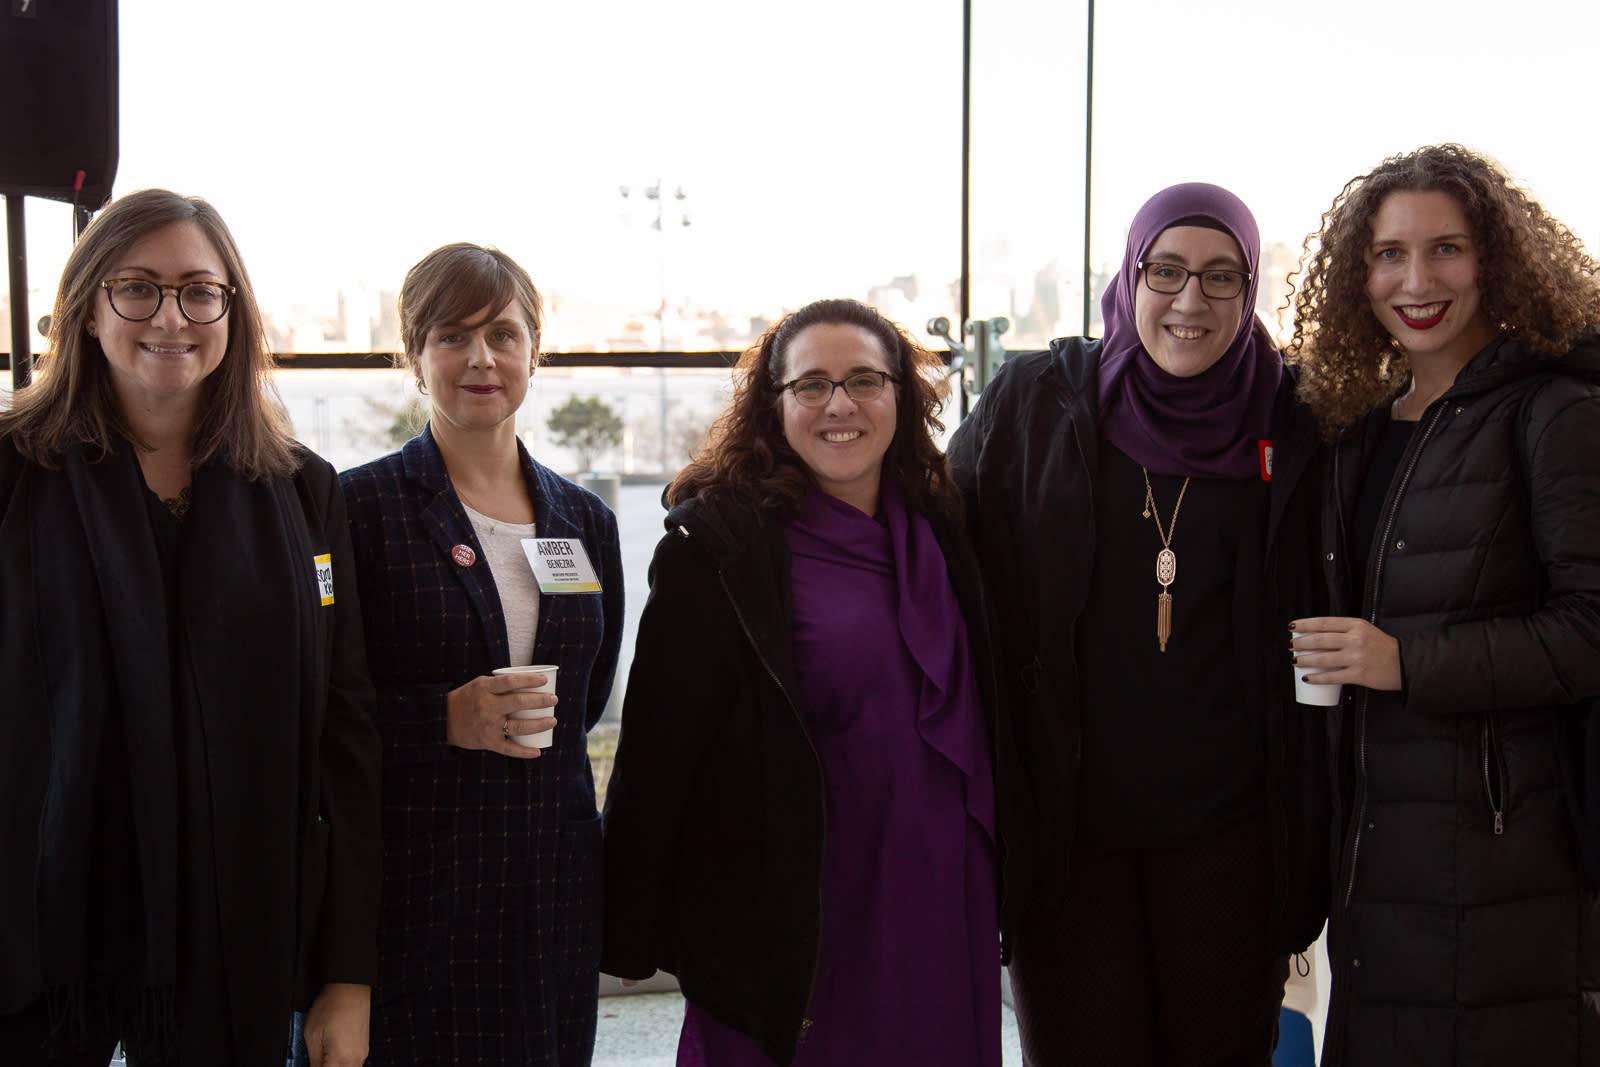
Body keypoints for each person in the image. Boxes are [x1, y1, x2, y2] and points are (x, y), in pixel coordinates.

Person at [947, 183, 1330, 1066]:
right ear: (1129, 276)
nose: (1190, 301)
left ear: (1250, 287)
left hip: (1232, 839)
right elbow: (927, 519)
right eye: (1167, 271)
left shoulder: (1297, 420)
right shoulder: (1038, 399)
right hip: (1067, 843)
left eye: (1220, 276)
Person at [0, 189, 382, 1067]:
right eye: (138, 287)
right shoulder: (12, 479)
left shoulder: (301, 492)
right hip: (38, 949)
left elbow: (345, 740)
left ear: (232, 314)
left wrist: (346, 976)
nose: (170, 316)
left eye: (199, 291)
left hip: (238, 944)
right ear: (87, 308)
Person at [601, 297, 1024, 1066]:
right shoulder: (721, 545)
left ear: (903, 394)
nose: (840, 405)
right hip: (799, 902)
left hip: (938, 893)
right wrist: (629, 918)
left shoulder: (946, 528)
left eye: (865, 380)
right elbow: (661, 746)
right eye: (812, 385)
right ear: (775, 403)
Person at [1284, 143, 1600, 1066]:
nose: (1415, 279)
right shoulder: (1359, 422)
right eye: (1388, 254)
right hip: (1377, 859)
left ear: (1495, 259)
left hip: (1507, 866)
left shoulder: (1555, 413)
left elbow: (1592, 629)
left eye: (1446, 250)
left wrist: (1406, 660)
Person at [340, 243, 624, 1065]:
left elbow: (589, 694)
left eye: (503, 334)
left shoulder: (584, 520)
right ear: (413, 354)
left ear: (535, 349)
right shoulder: (356, 509)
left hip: (549, 889)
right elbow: (318, 710)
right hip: (415, 888)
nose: (480, 358)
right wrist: (441, 719)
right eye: (451, 335)